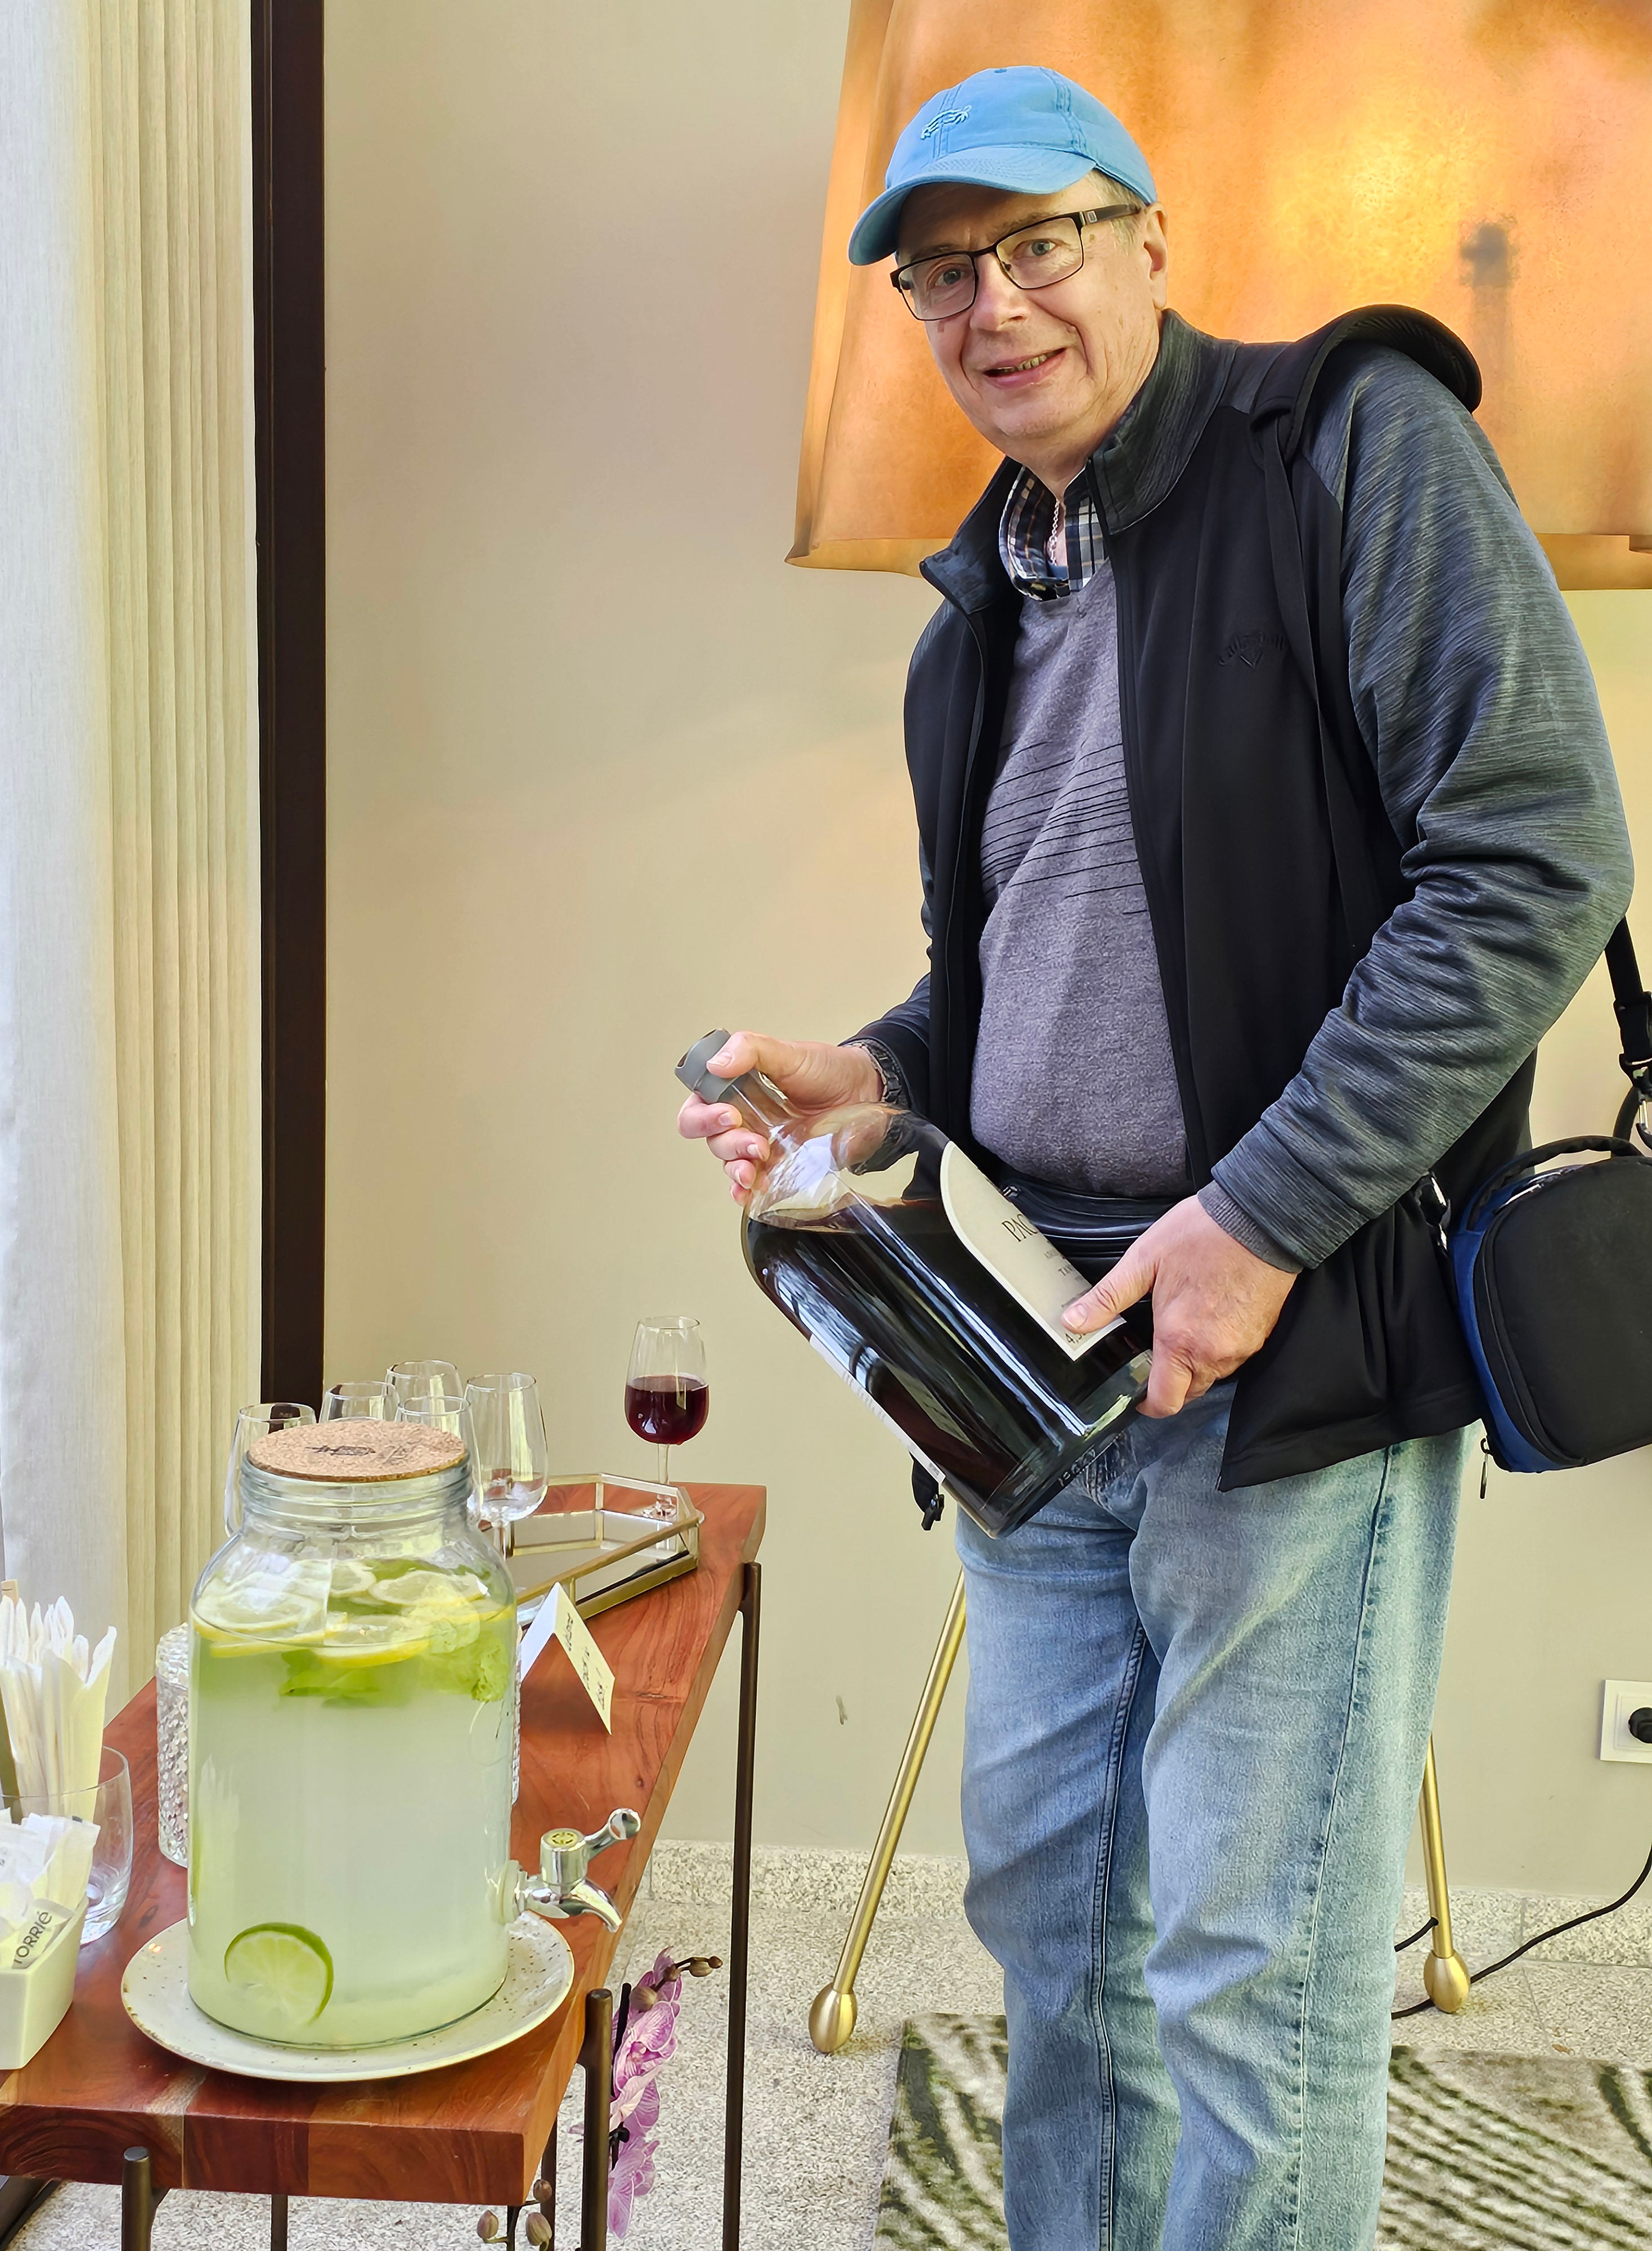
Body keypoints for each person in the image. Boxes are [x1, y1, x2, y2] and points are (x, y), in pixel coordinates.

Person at [677, 64, 1633, 2251]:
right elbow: (1022, 973)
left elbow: (1532, 863)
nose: (994, 305)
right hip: (1031, 1364)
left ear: (1149, 242)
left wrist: (1257, 1222)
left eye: (1039, 244)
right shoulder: (978, 621)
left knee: (1245, 1969)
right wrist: (874, 1074)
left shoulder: (1350, 446)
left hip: (1282, 1349)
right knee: (1054, 1920)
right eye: (944, 275)